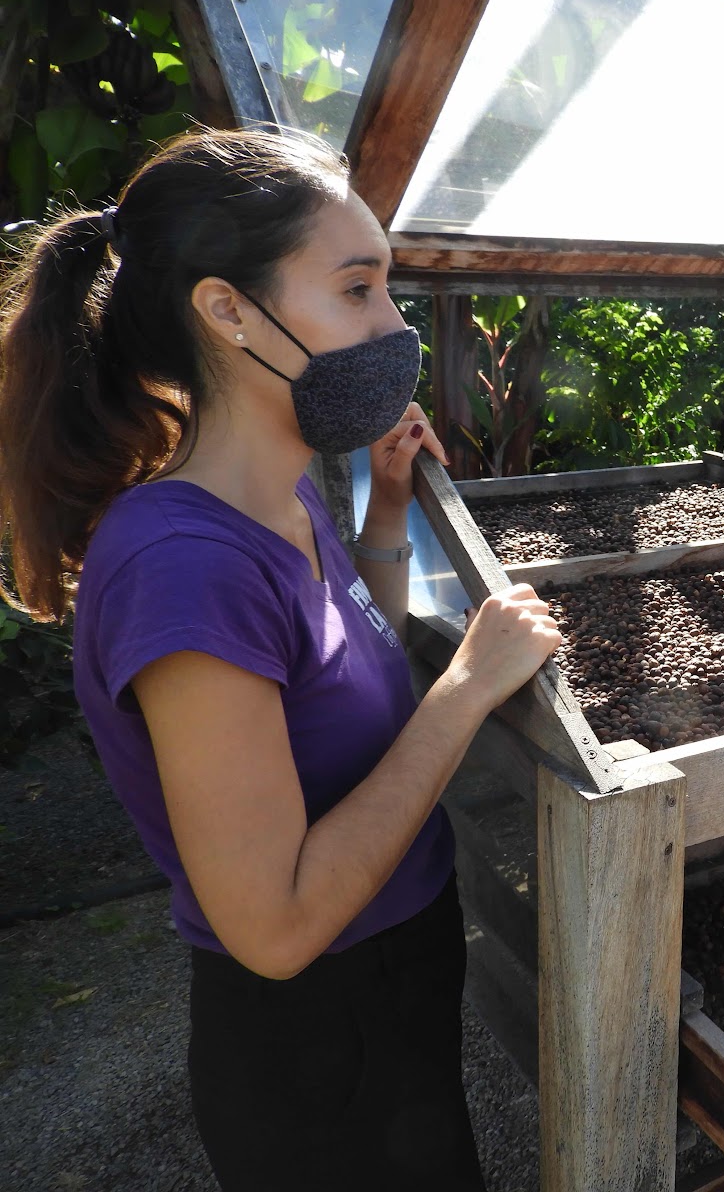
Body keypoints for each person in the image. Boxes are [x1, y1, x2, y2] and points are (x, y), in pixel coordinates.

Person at [0, 128, 562, 1189]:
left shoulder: (286, 490)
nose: (394, 326)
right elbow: (276, 926)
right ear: (228, 311)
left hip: (395, 970)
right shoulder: (181, 568)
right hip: (317, 1037)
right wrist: (469, 688)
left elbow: (345, 677)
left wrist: (387, 520)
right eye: (357, 290)